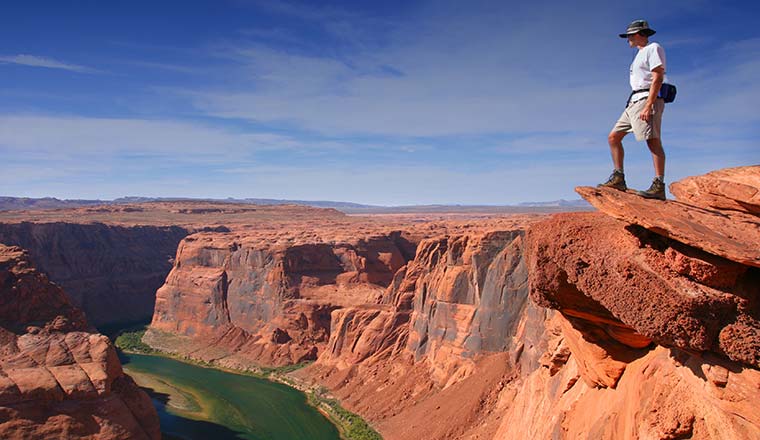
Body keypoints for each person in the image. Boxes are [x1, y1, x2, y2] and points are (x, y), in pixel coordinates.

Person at [599, 19, 667, 200]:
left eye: (629, 36)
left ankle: (659, 185)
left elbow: (658, 76)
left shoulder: (653, 48)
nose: (627, 39)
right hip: (634, 101)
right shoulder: (639, 54)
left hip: (646, 99)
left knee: (653, 141)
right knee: (613, 137)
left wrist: (649, 104)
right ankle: (619, 177)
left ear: (638, 34)